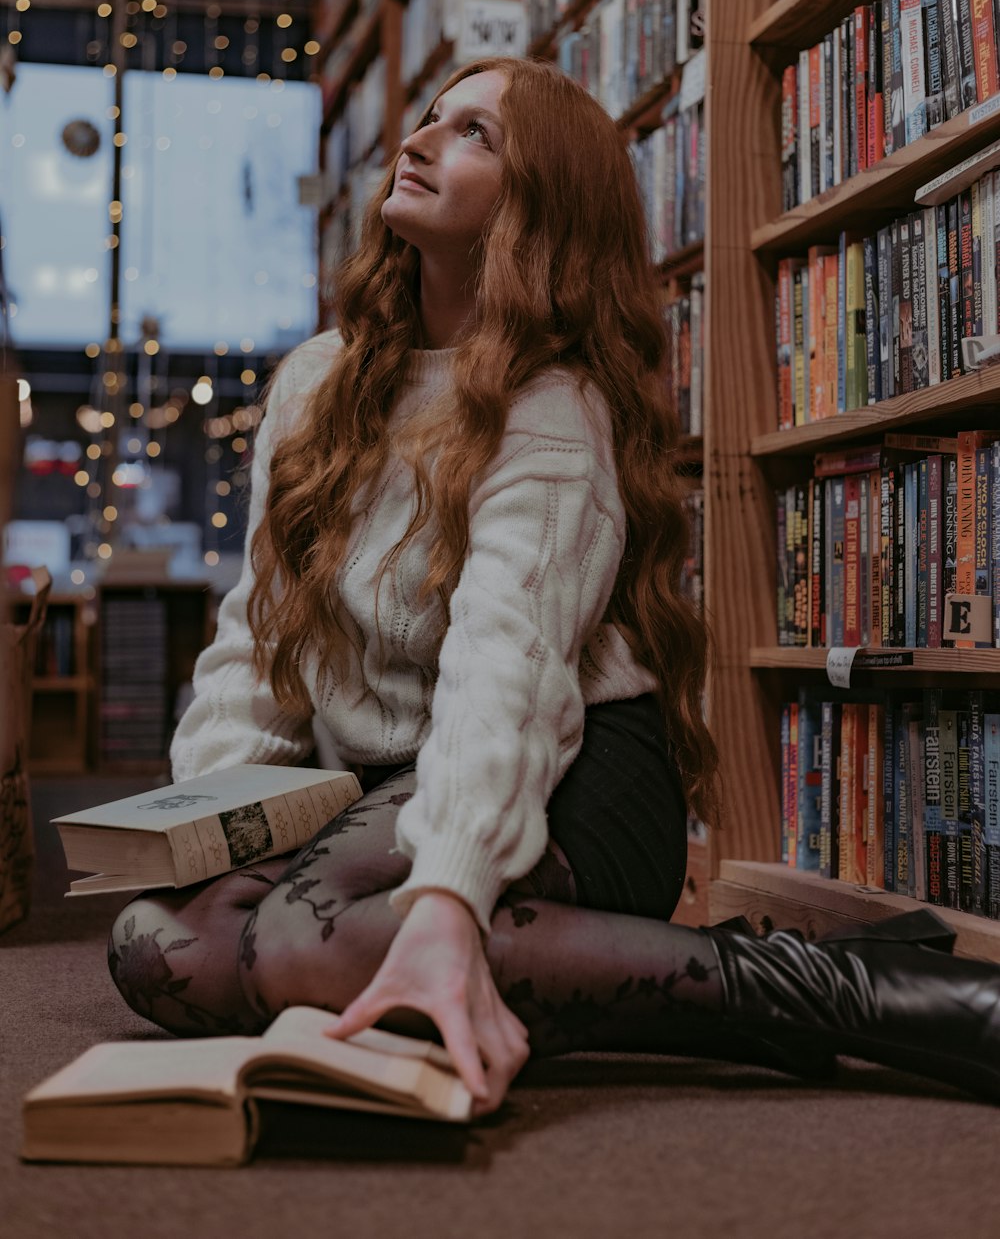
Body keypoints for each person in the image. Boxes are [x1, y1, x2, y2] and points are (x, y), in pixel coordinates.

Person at [109, 57, 1000, 1115]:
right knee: (158, 944)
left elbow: (507, 666)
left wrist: (444, 892)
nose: (421, 140)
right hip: (369, 793)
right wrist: (214, 823)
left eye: (475, 133)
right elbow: (258, 641)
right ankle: (623, 967)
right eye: (429, 116)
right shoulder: (315, 380)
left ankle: (850, 990)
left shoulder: (551, 402)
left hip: (567, 768)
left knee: (307, 938)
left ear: (542, 203)